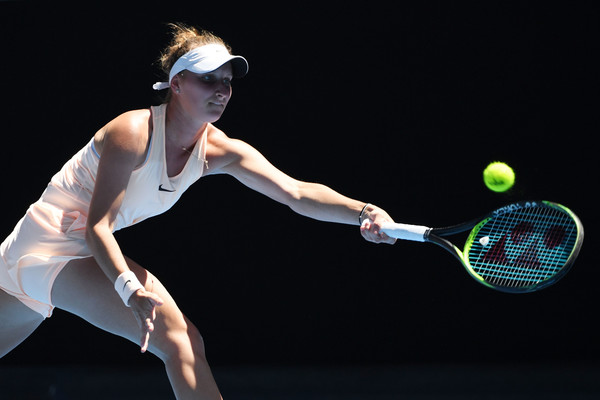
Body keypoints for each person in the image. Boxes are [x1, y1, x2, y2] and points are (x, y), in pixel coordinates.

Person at [0, 23, 396, 399]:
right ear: (176, 84)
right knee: (180, 343)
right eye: (208, 79)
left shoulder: (221, 151)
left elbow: (295, 192)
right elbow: (98, 228)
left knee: (183, 344)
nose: (221, 89)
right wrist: (130, 290)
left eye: (226, 81)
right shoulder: (132, 132)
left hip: (68, 254)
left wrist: (363, 211)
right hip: (50, 243)